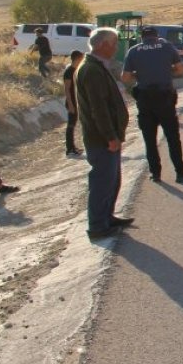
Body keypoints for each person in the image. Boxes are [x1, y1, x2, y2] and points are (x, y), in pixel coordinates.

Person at [75, 27, 133, 239]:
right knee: (102, 181)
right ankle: (98, 226)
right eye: (114, 43)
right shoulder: (91, 70)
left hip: (108, 136)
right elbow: (97, 108)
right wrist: (110, 136)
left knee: (112, 180)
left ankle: (107, 216)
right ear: (102, 45)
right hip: (101, 138)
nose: (116, 47)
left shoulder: (98, 67)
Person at [121, 26, 183, 184]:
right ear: (156, 36)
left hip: (145, 99)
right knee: (173, 137)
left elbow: (125, 78)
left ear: (141, 37)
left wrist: (139, 74)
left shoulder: (134, 51)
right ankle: (181, 173)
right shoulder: (166, 46)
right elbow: (182, 69)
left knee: (149, 139)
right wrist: (167, 71)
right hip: (165, 98)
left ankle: (155, 174)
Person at [64, 50, 85, 156]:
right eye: (81, 58)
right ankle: (69, 148)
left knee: (74, 123)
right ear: (77, 58)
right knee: (71, 125)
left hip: (77, 101)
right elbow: (67, 89)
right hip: (71, 101)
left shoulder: (77, 70)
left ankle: (73, 146)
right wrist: (71, 104)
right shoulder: (69, 71)